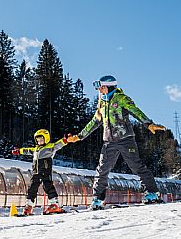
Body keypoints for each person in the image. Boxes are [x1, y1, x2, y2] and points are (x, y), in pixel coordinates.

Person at [67, 75, 166, 210]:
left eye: (101, 87)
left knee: (136, 166)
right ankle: (97, 200)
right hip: (109, 142)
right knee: (102, 169)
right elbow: (95, 122)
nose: (99, 90)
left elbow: (135, 111)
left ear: (109, 86)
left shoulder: (121, 98)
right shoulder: (102, 103)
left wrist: (148, 124)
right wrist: (79, 136)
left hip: (126, 139)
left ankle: (153, 193)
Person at [12, 129, 68, 215]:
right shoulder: (36, 149)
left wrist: (64, 140)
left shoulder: (50, 147)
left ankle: (55, 205)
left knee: (47, 186)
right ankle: (29, 206)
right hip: (36, 172)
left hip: (45, 171)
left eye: (41, 140)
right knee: (32, 187)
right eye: (38, 140)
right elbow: (27, 150)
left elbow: (58, 145)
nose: (39, 142)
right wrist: (19, 151)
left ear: (46, 139)